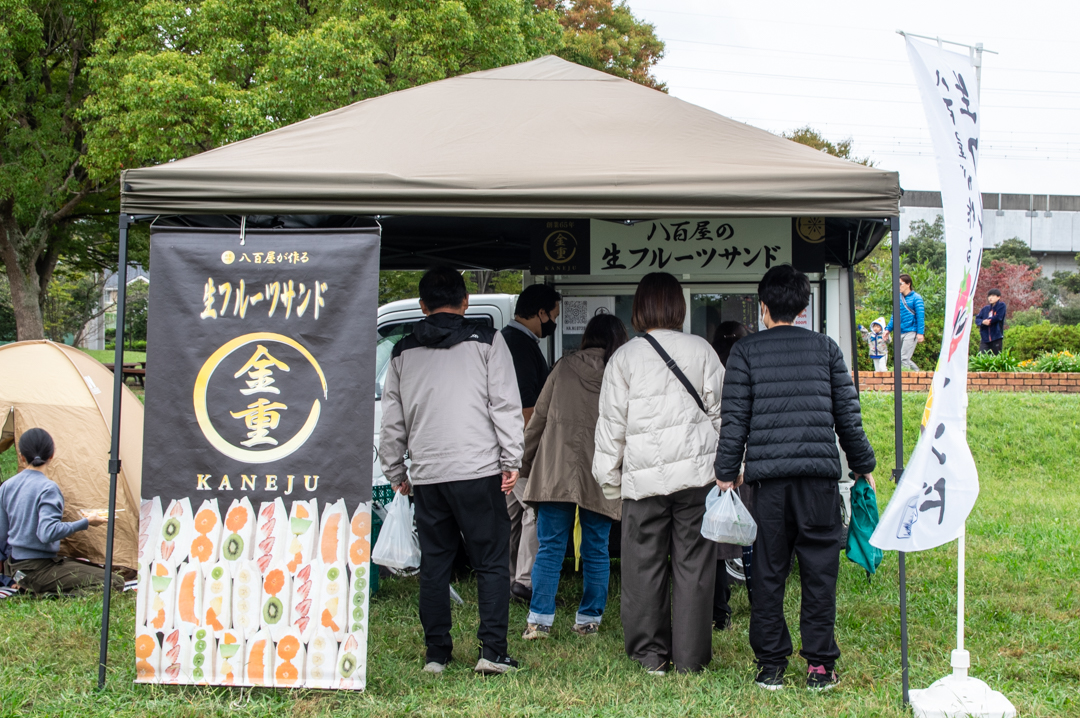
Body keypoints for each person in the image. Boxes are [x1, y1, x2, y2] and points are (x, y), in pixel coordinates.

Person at [715, 264, 876, 692]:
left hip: (768, 485)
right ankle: (820, 666)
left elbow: (735, 423)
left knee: (768, 572)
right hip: (820, 482)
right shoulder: (826, 349)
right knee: (820, 573)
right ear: (803, 307)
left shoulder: (745, 353)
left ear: (763, 307)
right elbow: (848, 417)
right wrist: (864, 467)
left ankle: (771, 666)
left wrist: (725, 474)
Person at [380, 266, 524, 675]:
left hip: (427, 475)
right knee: (492, 562)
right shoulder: (488, 341)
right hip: (479, 471)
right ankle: (492, 653)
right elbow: (505, 405)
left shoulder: (402, 351)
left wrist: (395, 470)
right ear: (466, 302)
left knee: (436, 564)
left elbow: (394, 419)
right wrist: (511, 459)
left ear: (422, 306)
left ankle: (436, 655)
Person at [594, 272, 725, 675]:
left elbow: (610, 427)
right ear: (678, 308)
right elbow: (722, 416)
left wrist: (611, 482)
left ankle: (650, 656)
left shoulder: (624, 358)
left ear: (639, 308)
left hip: (643, 483)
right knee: (694, 568)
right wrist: (723, 468)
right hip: (697, 479)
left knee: (642, 569)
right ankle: (690, 659)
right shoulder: (702, 350)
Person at [519, 314, 628, 641]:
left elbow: (537, 419)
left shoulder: (564, 367)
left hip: (557, 469)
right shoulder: (619, 372)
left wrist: (522, 464)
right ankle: (588, 620)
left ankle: (538, 622)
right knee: (597, 547)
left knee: (550, 547)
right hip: (603, 472)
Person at [0, 428, 121, 596]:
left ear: (22, 456)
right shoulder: (48, 488)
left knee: (94, 571)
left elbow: (1, 535)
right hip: (37, 570)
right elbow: (47, 533)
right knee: (115, 582)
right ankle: (44, 594)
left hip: (16, 568)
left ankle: (28, 584)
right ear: (51, 455)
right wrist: (87, 522)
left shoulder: (7, 486)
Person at [500, 284, 561, 604]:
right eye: (553, 316)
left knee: (511, 515)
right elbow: (526, 409)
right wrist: (536, 449)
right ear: (539, 313)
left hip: (505, 449)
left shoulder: (507, 341)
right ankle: (525, 579)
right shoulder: (520, 347)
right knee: (535, 509)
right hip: (521, 449)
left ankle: (508, 578)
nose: (553, 324)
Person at [710, 320, 752, 632]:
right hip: (748, 465)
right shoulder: (750, 367)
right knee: (749, 537)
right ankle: (758, 600)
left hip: (716, 465)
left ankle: (719, 612)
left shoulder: (710, 370)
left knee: (715, 542)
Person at [884, 273, 925, 371]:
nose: (898, 286)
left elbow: (920, 316)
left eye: (900, 283)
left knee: (904, 358)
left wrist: (920, 333)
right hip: (900, 331)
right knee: (901, 358)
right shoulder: (898, 297)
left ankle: (906, 381)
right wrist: (888, 329)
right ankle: (918, 374)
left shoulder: (916, 298)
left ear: (908, 284)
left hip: (911, 331)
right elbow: (895, 315)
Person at [976, 289, 1007, 355]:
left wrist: (989, 320)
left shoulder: (1001, 305)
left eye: (993, 296)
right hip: (985, 338)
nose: (990, 298)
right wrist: (983, 322)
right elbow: (977, 319)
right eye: (989, 296)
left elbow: (999, 317)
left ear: (998, 297)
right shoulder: (985, 308)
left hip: (996, 337)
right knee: (981, 356)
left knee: (995, 358)